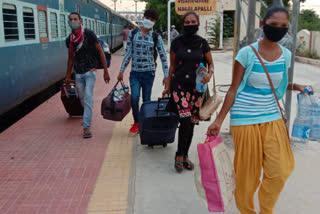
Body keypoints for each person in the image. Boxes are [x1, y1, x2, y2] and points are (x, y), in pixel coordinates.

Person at [207, 7, 313, 214]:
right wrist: (219, 120)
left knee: (280, 170)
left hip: (272, 116)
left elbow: (276, 83)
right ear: (263, 24)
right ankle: (247, 211)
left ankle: (266, 209)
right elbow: (233, 89)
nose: (279, 29)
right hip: (245, 118)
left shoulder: (286, 55)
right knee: (248, 176)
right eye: (274, 24)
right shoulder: (247, 53)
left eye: (284, 26)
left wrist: (296, 86)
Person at [163, 11, 214, 173]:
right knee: (184, 120)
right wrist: (167, 86)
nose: (190, 24)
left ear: (198, 24)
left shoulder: (202, 43)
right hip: (179, 87)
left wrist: (209, 74)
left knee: (191, 122)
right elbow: (172, 66)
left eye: (193, 21)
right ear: (183, 24)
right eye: (187, 22)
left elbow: (211, 64)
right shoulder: (176, 43)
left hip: (197, 89)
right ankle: (179, 155)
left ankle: (185, 156)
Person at [117, 9, 169, 134]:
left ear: (155, 22)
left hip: (148, 73)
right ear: (143, 18)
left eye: (152, 20)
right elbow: (128, 52)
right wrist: (121, 70)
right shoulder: (133, 33)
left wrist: (166, 75)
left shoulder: (156, 37)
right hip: (135, 72)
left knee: (146, 100)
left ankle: (144, 123)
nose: (149, 21)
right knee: (134, 98)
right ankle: (137, 122)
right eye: (148, 18)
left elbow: (163, 56)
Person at [65, 12, 110, 138]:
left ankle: (86, 127)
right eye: (70, 19)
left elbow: (100, 51)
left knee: (89, 97)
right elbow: (70, 58)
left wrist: (105, 70)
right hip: (78, 73)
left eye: (75, 19)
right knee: (82, 98)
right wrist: (68, 75)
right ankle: (87, 116)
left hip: (91, 71)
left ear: (80, 21)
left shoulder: (89, 34)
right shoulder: (69, 40)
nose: (72, 21)